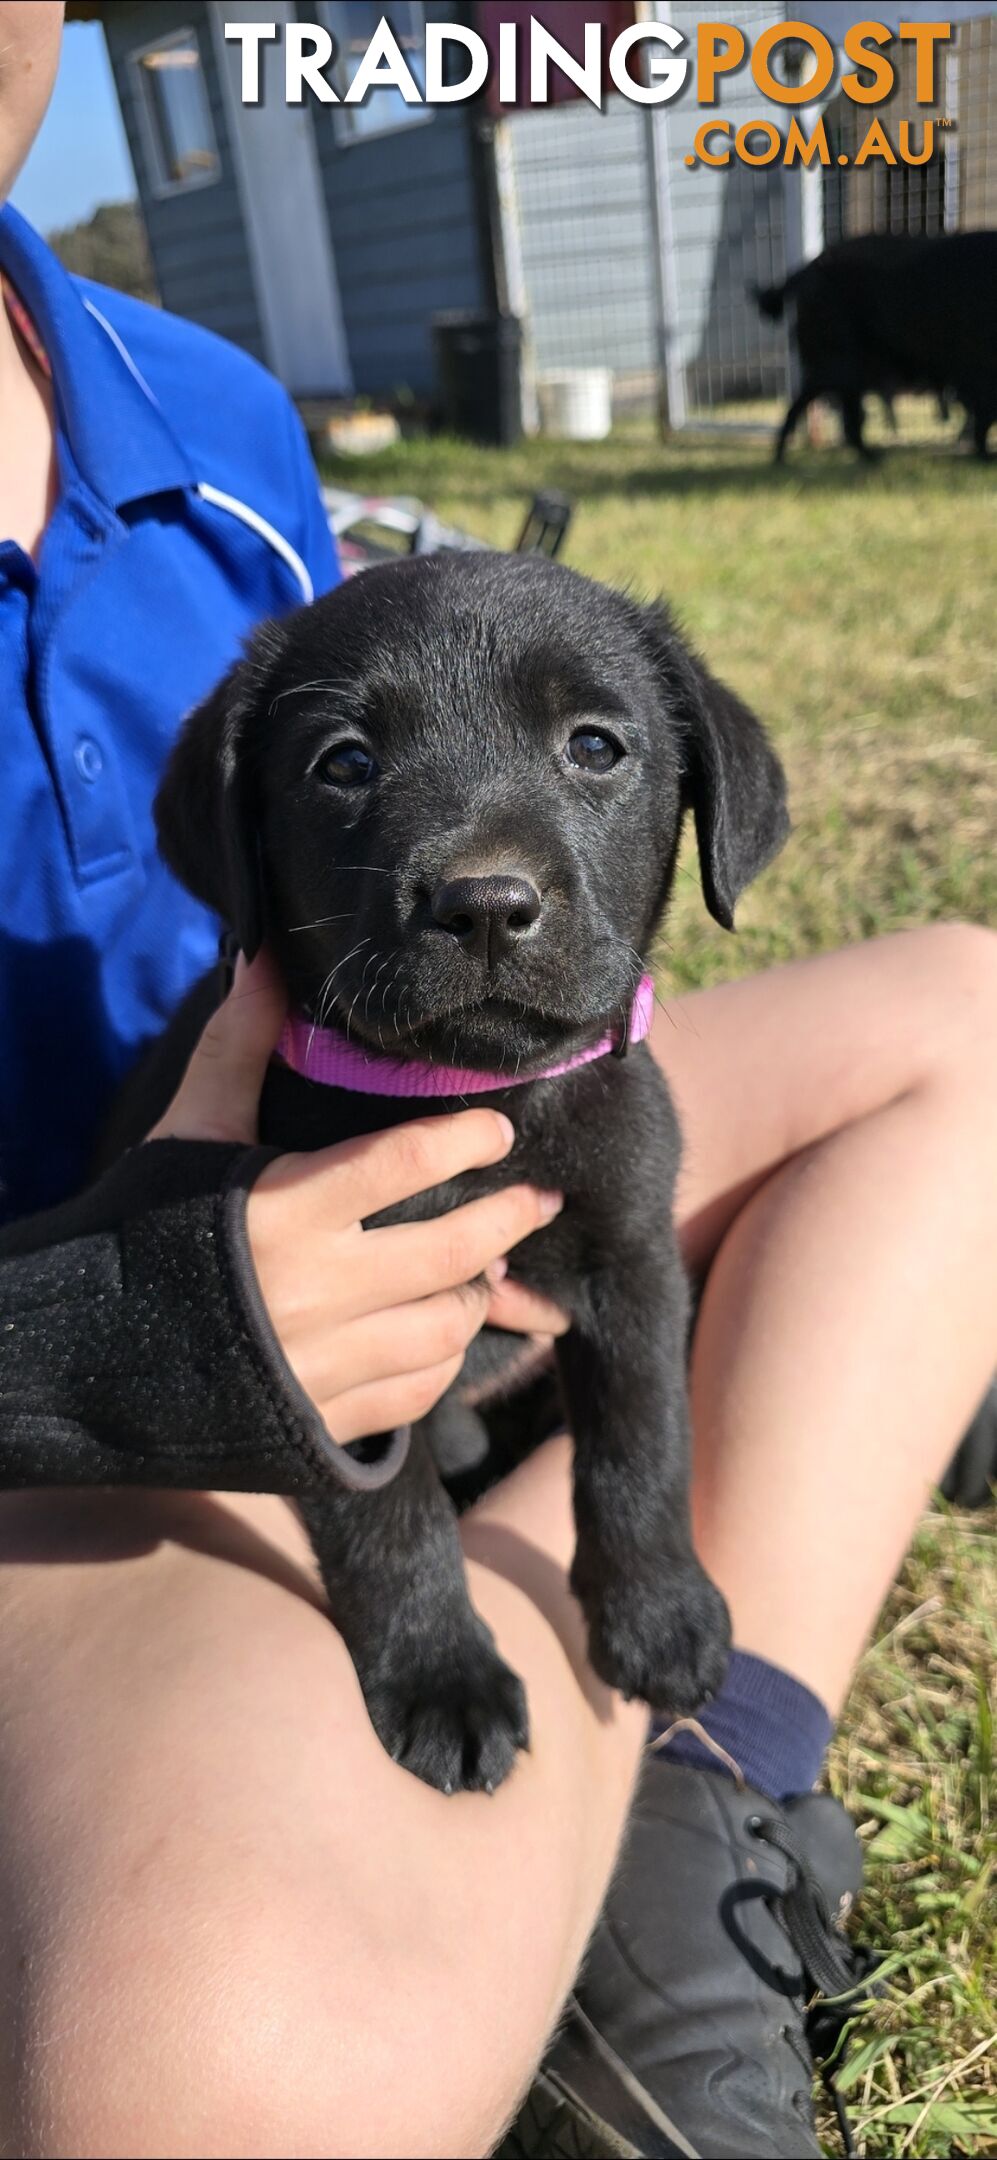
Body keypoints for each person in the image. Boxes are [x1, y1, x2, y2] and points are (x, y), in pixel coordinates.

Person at [0, 10, 995, 2156]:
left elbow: (406, 693)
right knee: (219, 2088)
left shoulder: (209, 408)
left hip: (440, 1097)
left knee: (972, 1023)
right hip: (74, 1427)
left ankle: (689, 1788)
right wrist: (84, 1335)